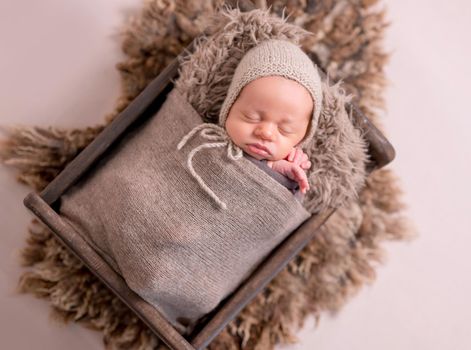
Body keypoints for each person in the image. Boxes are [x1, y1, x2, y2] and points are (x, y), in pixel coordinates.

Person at [177, 39, 323, 209]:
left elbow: (274, 214)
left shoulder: (284, 168)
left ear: (300, 140)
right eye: (252, 117)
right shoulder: (199, 137)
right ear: (230, 106)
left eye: (285, 130)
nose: (266, 133)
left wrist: (277, 172)